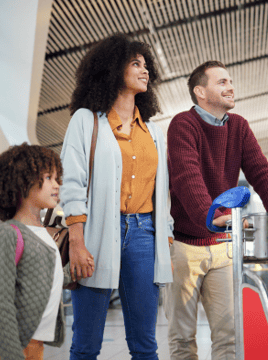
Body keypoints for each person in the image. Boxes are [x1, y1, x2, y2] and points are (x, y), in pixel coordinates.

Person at [60, 33, 173, 360]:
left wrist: (164, 237)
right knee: (86, 344)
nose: (145, 70)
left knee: (145, 343)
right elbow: (72, 183)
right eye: (135, 63)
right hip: (95, 234)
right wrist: (77, 241)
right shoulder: (86, 121)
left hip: (144, 235)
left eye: (145, 64)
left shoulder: (153, 131)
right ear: (112, 68)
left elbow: (161, 193)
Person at [164, 61, 268, 359]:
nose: (230, 87)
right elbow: (187, 177)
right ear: (200, 91)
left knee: (229, 336)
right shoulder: (182, 125)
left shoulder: (238, 126)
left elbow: (261, 172)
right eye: (222, 82)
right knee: (182, 338)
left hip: (223, 248)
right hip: (183, 247)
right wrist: (211, 216)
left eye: (230, 81)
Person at [0, 143, 75, 360]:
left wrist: (77, 269)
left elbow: (48, 279)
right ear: (23, 182)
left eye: (57, 178)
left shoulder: (43, 233)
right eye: (49, 177)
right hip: (7, 344)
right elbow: (1, 306)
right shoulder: (8, 234)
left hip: (33, 342)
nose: (57, 185)